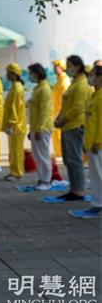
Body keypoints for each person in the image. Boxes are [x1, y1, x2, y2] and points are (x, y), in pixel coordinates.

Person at [53, 55, 92, 201]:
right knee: (69, 160)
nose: (67, 69)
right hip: (67, 126)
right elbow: (67, 105)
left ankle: (79, 190)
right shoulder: (75, 83)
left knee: (75, 160)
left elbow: (77, 108)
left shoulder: (82, 84)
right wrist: (59, 118)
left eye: (69, 66)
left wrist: (62, 119)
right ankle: (74, 189)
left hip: (75, 126)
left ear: (77, 66)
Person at [69, 65, 102, 218]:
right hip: (90, 142)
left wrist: (98, 141)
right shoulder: (94, 95)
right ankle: (97, 203)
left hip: (98, 144)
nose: (90, 77)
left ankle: (98, 204)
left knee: (99, 175)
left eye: (93, 75)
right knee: (95, 176)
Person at [27, 63, 54, 191]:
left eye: (31, 73)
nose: (29, 76)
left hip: (42, 128)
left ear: (37, 73)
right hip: (35, 127)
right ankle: (41, 179)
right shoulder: (38, 87)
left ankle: (46, 180)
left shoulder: (44, 89)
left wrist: (40, 129)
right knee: (37, 155)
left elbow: (45, 111)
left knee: (43, 155)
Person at [2, 63, 26, 181]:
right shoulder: (14, 86)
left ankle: (17, 172)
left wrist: (11, 123)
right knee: (13, 150)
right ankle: (13, 171)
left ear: (14, 74)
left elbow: (15, 107)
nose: (7, 75)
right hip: (15, 124)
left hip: (17, 125)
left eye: (9, 72)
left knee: (16, 151)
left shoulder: (17, 88)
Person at [51, 59, 71, 158]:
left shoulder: (64, 80)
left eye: (56, 66)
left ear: (62, 67)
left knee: (59, 134)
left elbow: (65, 98)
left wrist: (60, 112)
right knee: (56, 134)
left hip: (60, 111)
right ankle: (58, 152)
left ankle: (61, 153)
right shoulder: (59, 80)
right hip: (55, 110)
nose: (54, 69)